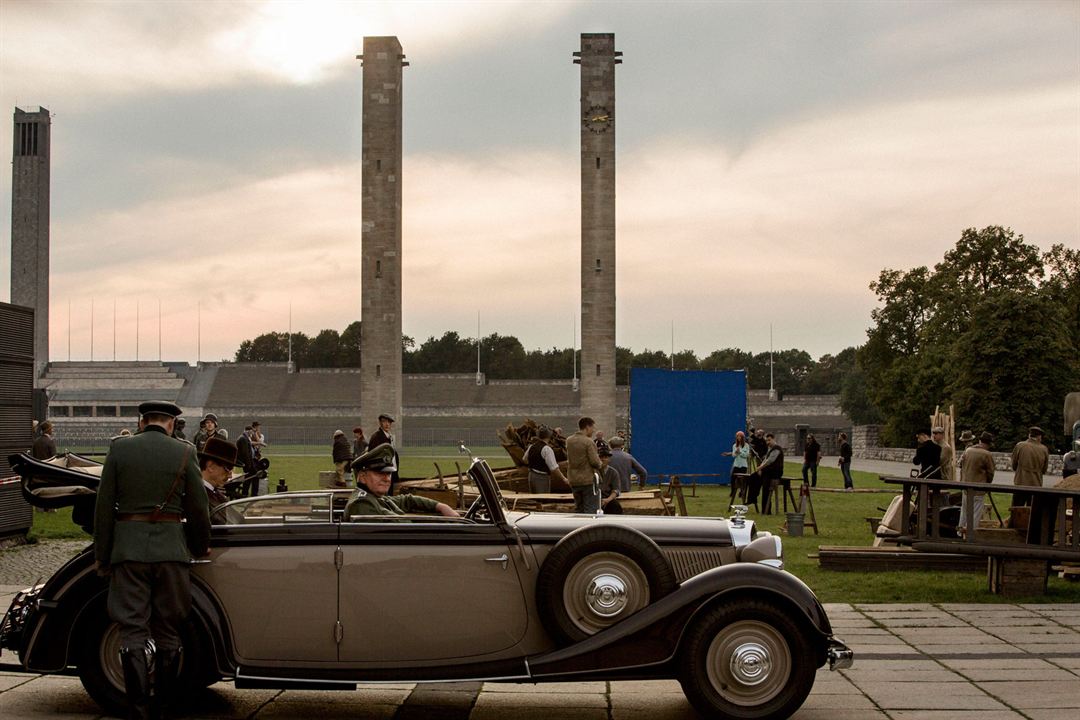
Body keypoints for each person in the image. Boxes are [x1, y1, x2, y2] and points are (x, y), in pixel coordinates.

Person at [93, 400, 210, 720]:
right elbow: (199, 509)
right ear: (172, 423)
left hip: (129, 552)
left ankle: (139, 709)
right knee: (169, 630)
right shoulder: (185, 452)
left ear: (142, 421)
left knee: (132, 631)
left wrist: (102, 557)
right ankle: (166, 708)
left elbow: (103, 510)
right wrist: (199, 548)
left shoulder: (119, 450)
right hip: (171, 552)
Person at [344, 444, 459, 519]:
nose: (387, 478)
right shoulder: (362, 504)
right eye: (380, 473)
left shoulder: (375, 497)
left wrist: (441, 506)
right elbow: (403, 528)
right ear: (363, 477)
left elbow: (407, 500)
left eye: (388, 473)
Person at [957, 431, 995, 536]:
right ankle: (970, 534)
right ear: (989, 444)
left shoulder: (968, 451)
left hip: (965, 487)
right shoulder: (987, 454)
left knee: (964, 512)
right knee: (975, 514)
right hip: (978, 489)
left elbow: (961, 465)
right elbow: (990, 473)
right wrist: (987, 484)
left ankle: (960, 533)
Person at [199, 437, 241, 524]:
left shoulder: (214, 494)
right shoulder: (196, 496)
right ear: (210, 466)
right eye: (228, 469)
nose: (230, 475)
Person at [566, 416, 603, 514]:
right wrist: (600, 464)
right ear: (587, 427)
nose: (593, 430)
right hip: (587, 480)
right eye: (592, 428)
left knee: (579, 508)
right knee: (590, 508)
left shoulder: (569, 440)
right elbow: (594, 461)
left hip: (573, 479)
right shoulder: (588, 442)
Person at [1011, 426, 1049, 505]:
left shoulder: (1020, 446)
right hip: (1036, 484)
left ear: (1029, 435)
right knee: (1033, 512)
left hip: (1020, 482)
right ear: (1039, 437)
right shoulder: (1044, 449)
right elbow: (1044, 469)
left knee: (1017, 510)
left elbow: (1014, 464)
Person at [524, 425, 567, 493]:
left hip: (531, 476)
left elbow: (525, 459)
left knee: (534, 499)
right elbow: (554, 468)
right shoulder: (547, 449)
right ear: (549, 436)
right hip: (542, 478)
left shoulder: (531, 446)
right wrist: (564, 478)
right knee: (543, 500)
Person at [752, 433, 785, 514]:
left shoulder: (777, 448)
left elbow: (770, 461)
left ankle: (766, 510)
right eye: (766, 441)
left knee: (766, 488)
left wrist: (760, 468)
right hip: (768, 471)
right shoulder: (770, 449)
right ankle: (752, 497)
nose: (768, 442)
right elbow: (765, 460)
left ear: (773, 439)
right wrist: (759, 469)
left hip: (775, 472)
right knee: (753, 477)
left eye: (769, 440)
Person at [367, 413, 400, 491]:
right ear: (380, 423)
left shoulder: (389, 437)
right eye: (384, 422)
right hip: (382, 471)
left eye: (389, 422)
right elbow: (373, 456)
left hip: (391, 470)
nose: (387, 424)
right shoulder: (376, 437)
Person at [722, 431, 751, 506]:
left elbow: (746, 455)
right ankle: (732, 491)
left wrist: (740, 451)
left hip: (743, 465)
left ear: (742, 438)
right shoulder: (734, 445)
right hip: (737, 464)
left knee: (743, 480)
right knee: (733, 478)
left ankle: (742, 492)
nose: (738, 438)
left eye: (740, 436)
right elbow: (733, 455)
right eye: (737, 437)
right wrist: (736, 453)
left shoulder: (746, 446)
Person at [596, 441, 622, 514]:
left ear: (609, 459)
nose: (603, 459)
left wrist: (607, 500)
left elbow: (616, 490)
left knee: (616, 507)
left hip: (607, 499)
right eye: (601, 457)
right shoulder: (592, 471)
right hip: (593, 499)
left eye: (605, 457)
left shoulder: (613, 472)